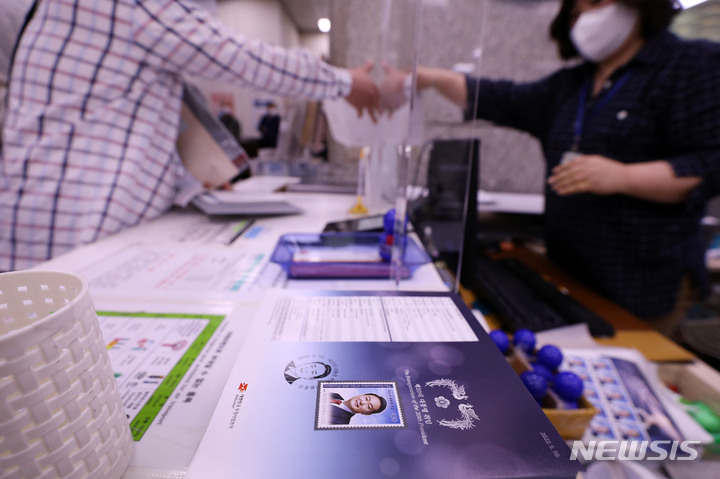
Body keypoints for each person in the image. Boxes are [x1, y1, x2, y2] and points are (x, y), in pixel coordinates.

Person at [381, 0, 720, 338]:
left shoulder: (691, 65)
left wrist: (623, 177)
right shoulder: (573, 84)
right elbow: (502, 99)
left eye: (596, 3)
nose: (585, 18)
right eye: (575, 12)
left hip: (643, 283)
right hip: (569, 273)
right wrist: (431, 78)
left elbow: (709, 163)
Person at [0, 0, 379, 272]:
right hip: (64, 247)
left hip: (59, 237)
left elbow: (123, 119)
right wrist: (345, 82)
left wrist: (188, 183)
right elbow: (237, 57)